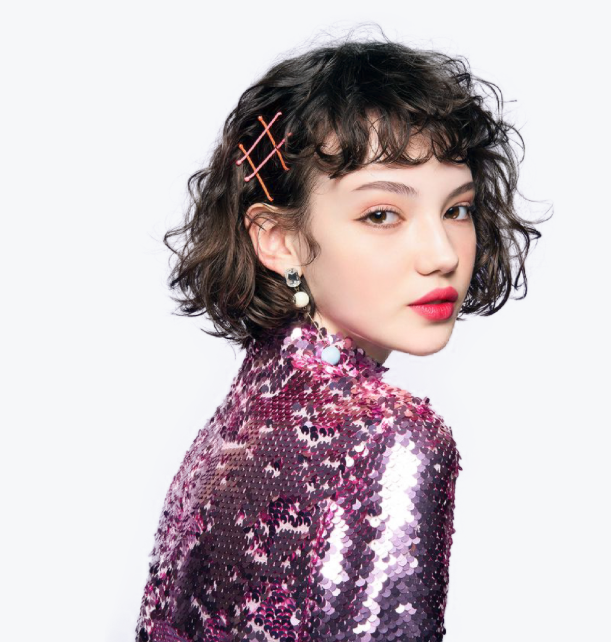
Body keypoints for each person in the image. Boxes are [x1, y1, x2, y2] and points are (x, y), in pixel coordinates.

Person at [135, 34, 545, 642]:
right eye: (382, 214)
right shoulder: (390, 437)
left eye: (456, 209)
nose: (441, 254)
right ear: (279, 239)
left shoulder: (239, 420)